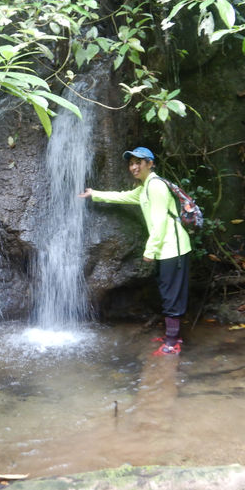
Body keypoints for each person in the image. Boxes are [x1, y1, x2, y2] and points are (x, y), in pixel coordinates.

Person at [78, 147, 191, 355]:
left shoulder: (155, 186)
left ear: (151, 163)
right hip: (166, 249)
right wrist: (94, 194)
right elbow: (124, 197)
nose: (134, 167)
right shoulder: (145, 187)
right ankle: (171, 335)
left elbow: (159, 223)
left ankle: (173, 342)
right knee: (167, 291)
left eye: (139, 162)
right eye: (131, 163)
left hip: (173, 249)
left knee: (171, 294)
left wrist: (150, 250)